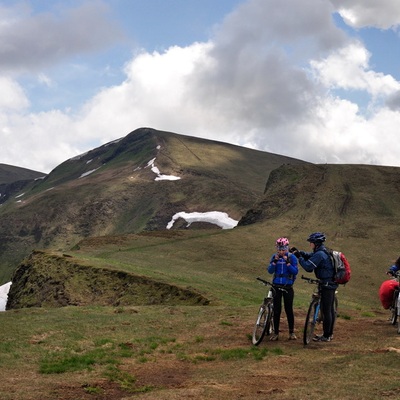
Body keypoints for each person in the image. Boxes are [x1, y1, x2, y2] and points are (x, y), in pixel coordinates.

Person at [290, 232, 337, 342]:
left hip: (327, 284)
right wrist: (299, 253)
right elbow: (309, 255)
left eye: (311, 242)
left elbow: (308, 267)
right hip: (328, 283)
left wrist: (299, 258)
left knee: (327, 310)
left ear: (316, 243)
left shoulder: (320, 254)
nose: (310, 244)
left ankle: (327, 335)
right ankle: (329, 334)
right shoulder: (321, 251)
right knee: (329, 309)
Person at [267, 237, 298, 341]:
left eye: (283, 249)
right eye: (279, 249)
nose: (281, 251)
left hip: (288, 287)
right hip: (276, 286)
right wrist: (274, 262)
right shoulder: (274, 257)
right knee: (276, 310)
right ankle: (275, 333)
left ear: (287, 248)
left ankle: (291, 332)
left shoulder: (292, 257)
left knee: (289, 309)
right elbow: (270, 271)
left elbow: (295, 272)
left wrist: (288, 263)